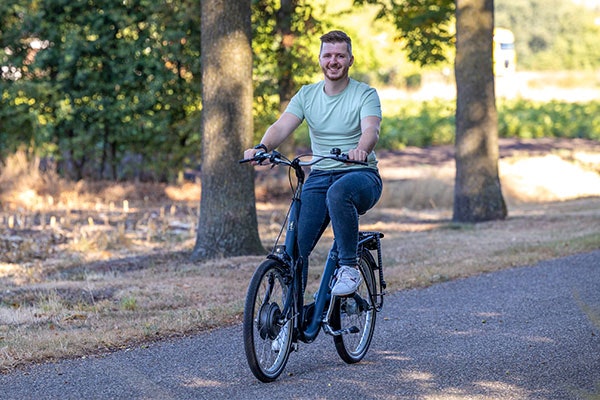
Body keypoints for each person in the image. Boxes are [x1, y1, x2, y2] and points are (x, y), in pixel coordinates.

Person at [244, 30, 382, 297]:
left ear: (350, 60)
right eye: (328, 55)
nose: (334, 61)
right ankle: (290, 320)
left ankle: (349, 267)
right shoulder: (307, 95)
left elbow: (371, 130)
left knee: (339, 192)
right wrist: (262, 148)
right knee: (294, 249)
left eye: (340, 56)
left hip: (360, 174)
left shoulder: (365, 94)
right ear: (319, 59)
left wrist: (361, 150)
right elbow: (282, 125)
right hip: (320, 176)